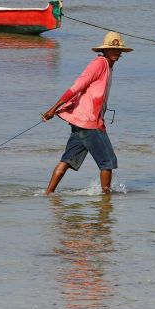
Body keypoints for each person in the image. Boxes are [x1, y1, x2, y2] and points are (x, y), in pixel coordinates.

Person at [41, 31, 132, 195]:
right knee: (108, 162)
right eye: (113, 49)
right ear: (104, 50)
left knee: (67, 160)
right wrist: (53, 109)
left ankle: (48, 195)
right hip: (88, 123)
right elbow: (77, 86)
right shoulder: (99, 64)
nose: (117, 52)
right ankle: (106, 200)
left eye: (119, 50)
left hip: (83, 122)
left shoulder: (108, 66)